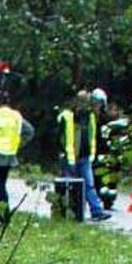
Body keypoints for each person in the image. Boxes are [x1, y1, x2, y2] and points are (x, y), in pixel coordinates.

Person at [0, 91, 35, 225]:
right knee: (0, 185)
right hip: (9, 156)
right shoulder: (16, 116)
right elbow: (30, 131)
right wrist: (18, 144)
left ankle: (1, 217)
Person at [57, 90, 109, 221]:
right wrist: (68, 156)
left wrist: (92, 154)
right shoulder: (67, 115)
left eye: (87, 101)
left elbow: (92, 136)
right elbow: (64, 138)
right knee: (68, 186)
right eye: (82, 101)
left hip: (84, 156)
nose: (85, 104)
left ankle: (96, 211)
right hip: (69, 156)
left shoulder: (90, 116)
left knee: (89, 184)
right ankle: (66, 212)